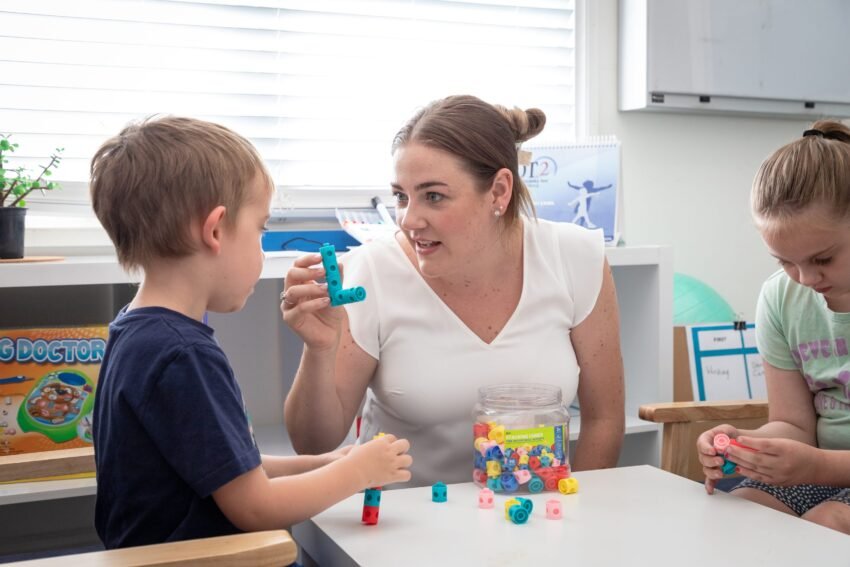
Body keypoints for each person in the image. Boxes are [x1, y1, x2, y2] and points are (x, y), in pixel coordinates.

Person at [89, 116, 412, 549]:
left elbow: (230, 468)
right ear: (215, 229)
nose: (261, 249)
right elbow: (256, 507)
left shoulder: (136, 331)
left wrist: (328, 462)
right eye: (260, 229)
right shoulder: (183, 354)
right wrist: (357, 473)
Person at [282, 95, 625, 487]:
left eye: (434, 196)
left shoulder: (576, 257)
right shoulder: (370, 271)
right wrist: (319, 350)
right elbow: (313, 444)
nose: (408, 220)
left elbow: (604, 420)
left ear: (499, 191)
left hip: (532, 510)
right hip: (401, 516)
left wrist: (574, 510)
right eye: (401, 196)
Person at [697, 120, 850, 535]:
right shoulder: (781, 297)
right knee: (738, 518)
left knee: (826, 526)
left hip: (824, 474)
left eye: (823, 259)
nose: (805, 278)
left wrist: (817, 465)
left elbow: (814, 466)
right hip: (818, 473)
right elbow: (794, 425)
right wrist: (745, 445)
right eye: (785, 261)